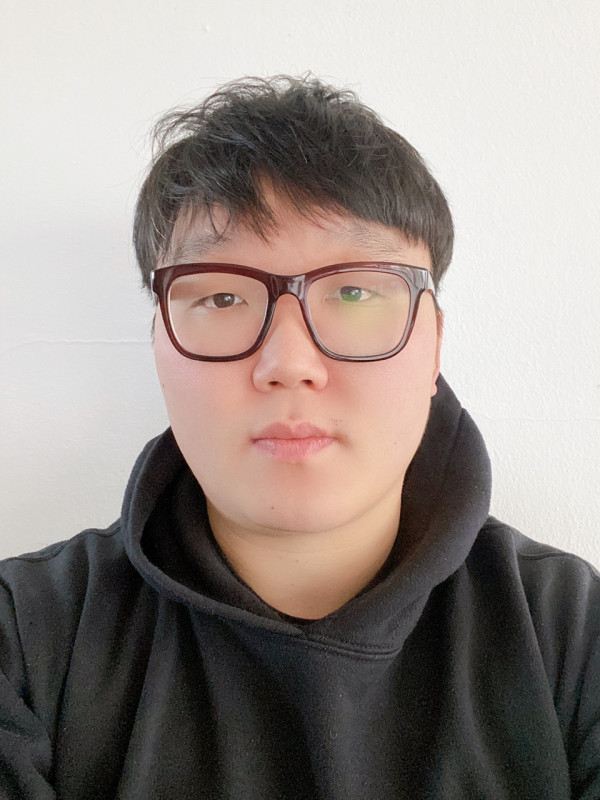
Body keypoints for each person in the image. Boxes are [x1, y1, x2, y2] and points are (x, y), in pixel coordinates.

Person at [0, 75, 598, 800]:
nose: (288, 363)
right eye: (222, 295)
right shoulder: (22, 637)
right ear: (158, 342)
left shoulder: (573, 634)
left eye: (354, 291)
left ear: (434, 345)